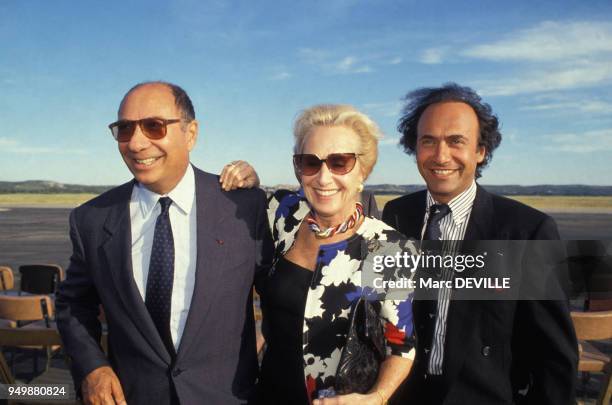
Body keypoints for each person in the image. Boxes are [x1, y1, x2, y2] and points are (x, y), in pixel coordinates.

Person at [55, 81, 271, 405]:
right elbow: (73, 304)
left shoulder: (245, 207)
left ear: (191, 133)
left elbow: (281, 297)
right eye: (125, 129)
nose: (137, 143)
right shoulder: (91, 220)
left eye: (154, 126)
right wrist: (93, 367)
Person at [382, 83, 578, 404]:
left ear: (480, 150)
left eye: (456, 141)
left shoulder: (526, 230)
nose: (441, 155)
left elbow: (554, 356)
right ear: (414, 147)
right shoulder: (397, 215)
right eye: (428, 140)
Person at [224, 104, 416, 404]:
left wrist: (377, 398)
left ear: (362, 170)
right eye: (310, 163)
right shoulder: (284, 213)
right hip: (268, 394)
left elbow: (401, 346)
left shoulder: (388, 247)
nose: (324, 177)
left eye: (340, 162)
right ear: (298, 169)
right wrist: (248, 177)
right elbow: (251, 208)